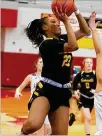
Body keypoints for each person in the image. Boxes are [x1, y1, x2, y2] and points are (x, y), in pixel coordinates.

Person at [21, 4, 91, 135]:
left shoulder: (62, 38)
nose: (58, 23)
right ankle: (22, 133)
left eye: (58, 21)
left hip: (63, 91)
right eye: (53, 22)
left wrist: (76, 10)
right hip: (47, 88)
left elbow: (86, 31)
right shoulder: (47, 44)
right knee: (33, 125)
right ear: (45, 27)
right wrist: (66, 21)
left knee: (60, 134)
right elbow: (73, 46)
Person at [14, 57, 51, 135]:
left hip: (46, 103)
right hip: (34, 103)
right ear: (36, 65)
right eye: (40, 62)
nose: (42, 64)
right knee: (37, 127)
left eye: (44, 62)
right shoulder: (31, 77)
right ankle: (24, 131)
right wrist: (17, 92)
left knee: (47, 129)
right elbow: (19, 88)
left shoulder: (49, 78)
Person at [69, 58, 96, 136]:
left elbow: (100, 85)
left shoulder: (95, 74)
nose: (89, 64)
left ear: (92, 64)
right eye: (87, 62)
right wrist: (75, 92)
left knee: (83, 119)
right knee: (88, 118)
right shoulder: (80, 75)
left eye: (90, 62)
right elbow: (73, 86)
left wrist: (96, 90)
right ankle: (88, 134)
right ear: (84, 64)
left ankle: (74, 117)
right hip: (83, 98)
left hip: (92, 99)